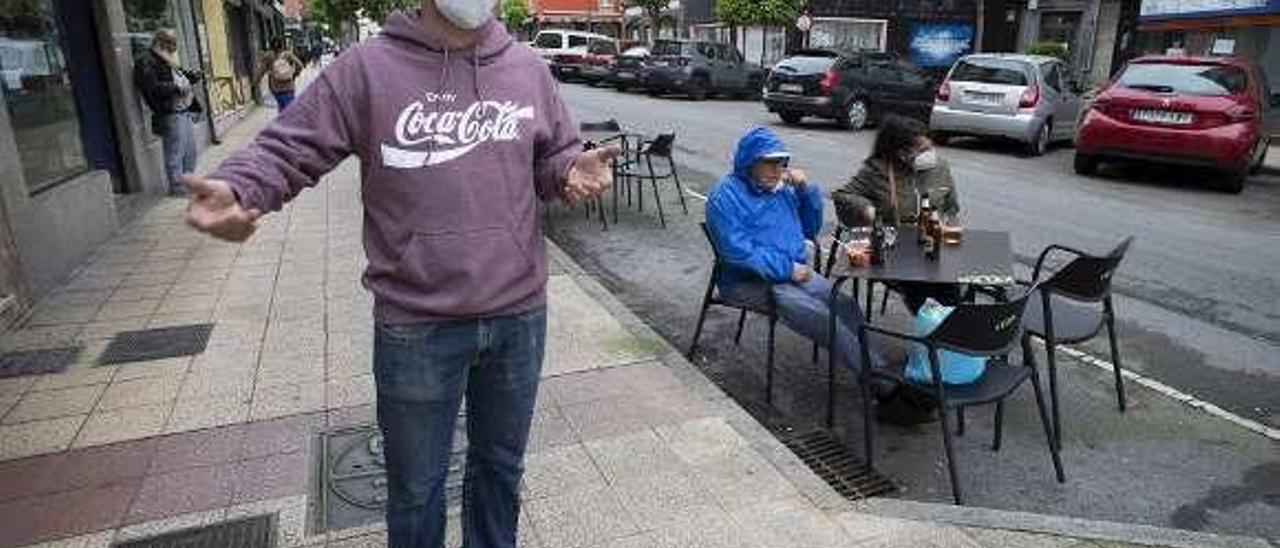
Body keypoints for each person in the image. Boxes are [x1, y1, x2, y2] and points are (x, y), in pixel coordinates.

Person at [182, 1, 618, 547]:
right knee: (415, 487)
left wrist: (570, 170)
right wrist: (241, 186)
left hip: (518, 315)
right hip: (416, 325)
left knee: (501, 471)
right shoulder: (369, 67)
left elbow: (553, 154)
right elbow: (290, 143)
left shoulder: (527, 68)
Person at [706, 127, 889, 392]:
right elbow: (737, 252)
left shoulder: (782, 190)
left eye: (781, 163)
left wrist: (805, 192)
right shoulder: (725, 196)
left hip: (794, 273)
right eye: (768, 163)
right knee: (816, 314)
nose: (776, 170)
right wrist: (787, 269)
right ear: (749, 162)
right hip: (747, 280)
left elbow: (810, 228)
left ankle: (876, 366)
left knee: (843, 303)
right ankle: (879, 380)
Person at [833, 114, 962, 314]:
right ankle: (936, 333)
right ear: (901, 153)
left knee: (951, 285)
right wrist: (866, 208)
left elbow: (952, 207)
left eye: (929, 147)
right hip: (896, 251)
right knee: (924, 291)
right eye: (922, 150)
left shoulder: (940, 167)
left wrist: (948, 227)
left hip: (932, 244)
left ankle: (950, 333)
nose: (929, 153)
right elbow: (843, 195)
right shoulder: (877, 170)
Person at [134, 29, 203, 196]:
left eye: (175, 43)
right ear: (160, 43)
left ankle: (187, 182)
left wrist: (193, 77)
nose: (175, 47)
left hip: (183, 110)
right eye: (171, 43)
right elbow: (151, 87)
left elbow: (181, 77)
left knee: (190, 151)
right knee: (175, 152)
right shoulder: (146, 60)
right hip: (169, 112)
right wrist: (177, 88)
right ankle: (177, 188)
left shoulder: (166, 59)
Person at [255, 36, 305, 109]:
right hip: (289, 85)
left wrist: (255, 83)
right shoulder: (288, 54)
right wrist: (294, 75)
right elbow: (300, 65)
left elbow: (261, 71)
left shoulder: (268, 55)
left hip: (275, 87)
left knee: (282, 107)